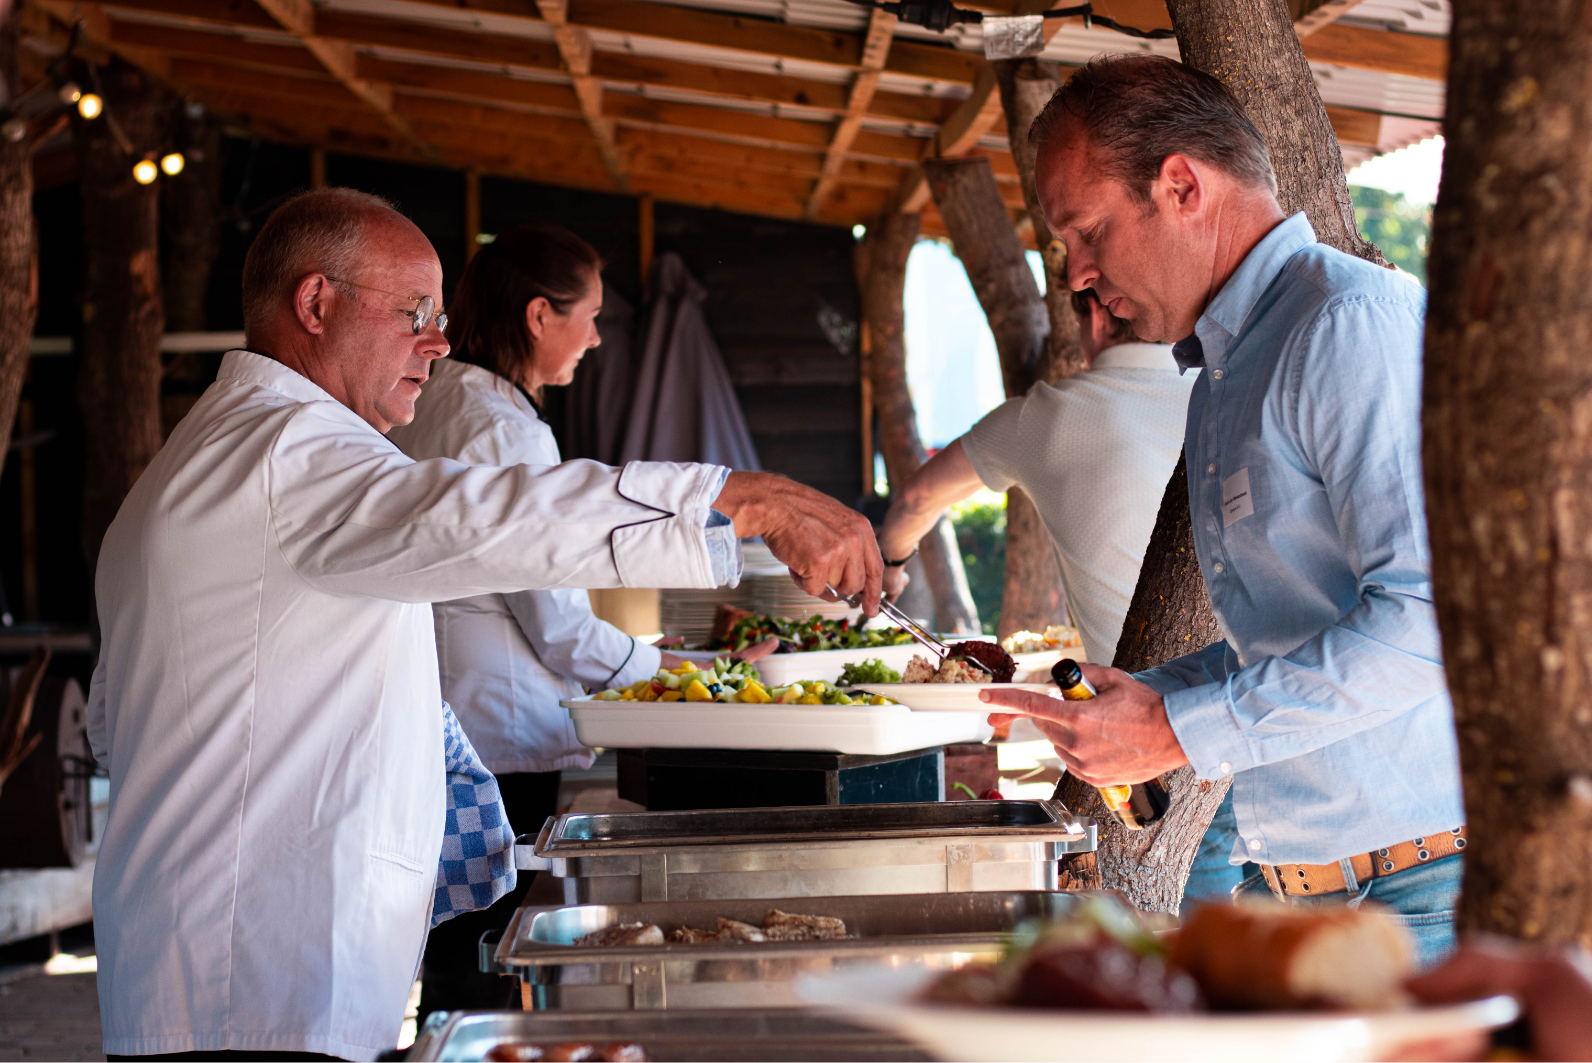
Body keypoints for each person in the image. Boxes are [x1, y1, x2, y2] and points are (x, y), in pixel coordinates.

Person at [86, 187, 880, 1063]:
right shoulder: (288, 454)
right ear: (315, 304)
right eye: (414, 312)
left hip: (226, 962)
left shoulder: (214, 456)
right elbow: (495, 516)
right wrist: (745, 500)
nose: (437, 340)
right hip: (252, 981)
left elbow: (110, 718)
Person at [981, 55, 1464, 963]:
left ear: (1180, 186)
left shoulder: (1344, 325)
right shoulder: (1223, 372)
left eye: (1086, 234)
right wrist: (1156, 697)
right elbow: (1288, 637)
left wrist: (1173, 730)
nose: (1078, 276)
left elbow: (1426, 622)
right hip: (1312, 892)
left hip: (1422, 896)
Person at [388, 224, 691, 1017]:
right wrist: (673, 675)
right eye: (587, 315)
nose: (594, 336)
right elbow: (556, 622)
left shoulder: (434, 398)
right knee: (487, 955)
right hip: (500, 738)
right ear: (537, 315)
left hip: (443, 718)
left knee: (452, 942)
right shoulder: (507, 432)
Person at [876, 287, 1192, 666]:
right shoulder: (1225, 397)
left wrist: (890, 567)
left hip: (1134, 704)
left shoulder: (1046, 415)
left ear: (1097, 314)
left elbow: (918, 498)